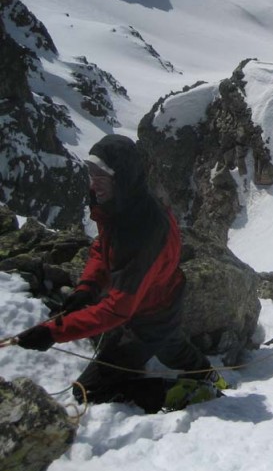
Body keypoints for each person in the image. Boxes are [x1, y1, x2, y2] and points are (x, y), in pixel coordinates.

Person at [15, 134, 227, 413]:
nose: (94, 183)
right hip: (160, 300)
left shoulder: (143, 228)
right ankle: (206, 374)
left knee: (88, 391)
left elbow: (118, 310)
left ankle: (181, 393)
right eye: (91, 174)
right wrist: (88, 287)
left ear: (122, 177)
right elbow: (102, 246)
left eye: (101, 175)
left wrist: (53, 332)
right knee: (169, 342)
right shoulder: (122, 203)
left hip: (146, 314)